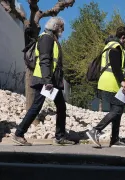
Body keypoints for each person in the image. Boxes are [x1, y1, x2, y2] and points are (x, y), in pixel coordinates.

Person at [12, 17, 75, 146]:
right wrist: (47, 81)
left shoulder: (50, 38)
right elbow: (45, 60)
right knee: (37, 106)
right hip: (45, 81)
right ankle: (19, 134)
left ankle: (59, 136)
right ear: (57, 27)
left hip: (49, 80)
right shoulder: (46, 38)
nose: (62, 31)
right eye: (62, 28)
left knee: (59, 106)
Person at [86, 26, 125, 147]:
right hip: (111, 83)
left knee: (118, 110)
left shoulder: (112, 47)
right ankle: (95, 130)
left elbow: (121, 67)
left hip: (113, 84)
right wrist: (122, 81)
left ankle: (115, 139)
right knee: (116, 110)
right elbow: (115, 67)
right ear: (123, 38)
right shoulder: (115, 47)